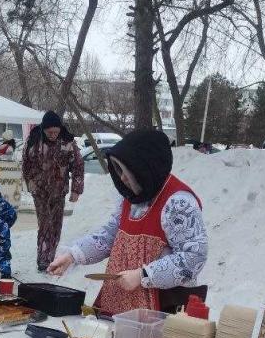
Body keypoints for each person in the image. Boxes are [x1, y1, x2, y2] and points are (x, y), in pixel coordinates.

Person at [47, 129, 208, 316]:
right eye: (118, 170)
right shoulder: (131, 197)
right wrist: (72, 255)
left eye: (126, 170)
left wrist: (143, 275)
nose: (122, 177)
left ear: (145, 167)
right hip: (119, 301)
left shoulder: (178, 203)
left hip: (159, 308)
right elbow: (109, 237)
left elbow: (194, 256)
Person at [22, 111, 84, 271]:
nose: (53, 135)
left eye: (56, 132)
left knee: (55, 227)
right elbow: (26, 164)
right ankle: (43, 261)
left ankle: (50, 257)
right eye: (50, 132)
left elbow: (78, 165)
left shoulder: (67, 142)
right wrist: (30, 183)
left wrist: (76, 189)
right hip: (40, 191)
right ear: (43, 129)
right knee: (45, 224)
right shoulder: (33, 141)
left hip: (58, 191)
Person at [0, 179, 17, 278]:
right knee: (3, 253)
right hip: (2, 229)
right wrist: (6, 225)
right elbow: (13, 215)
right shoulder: (2, 202)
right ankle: (4, 274)